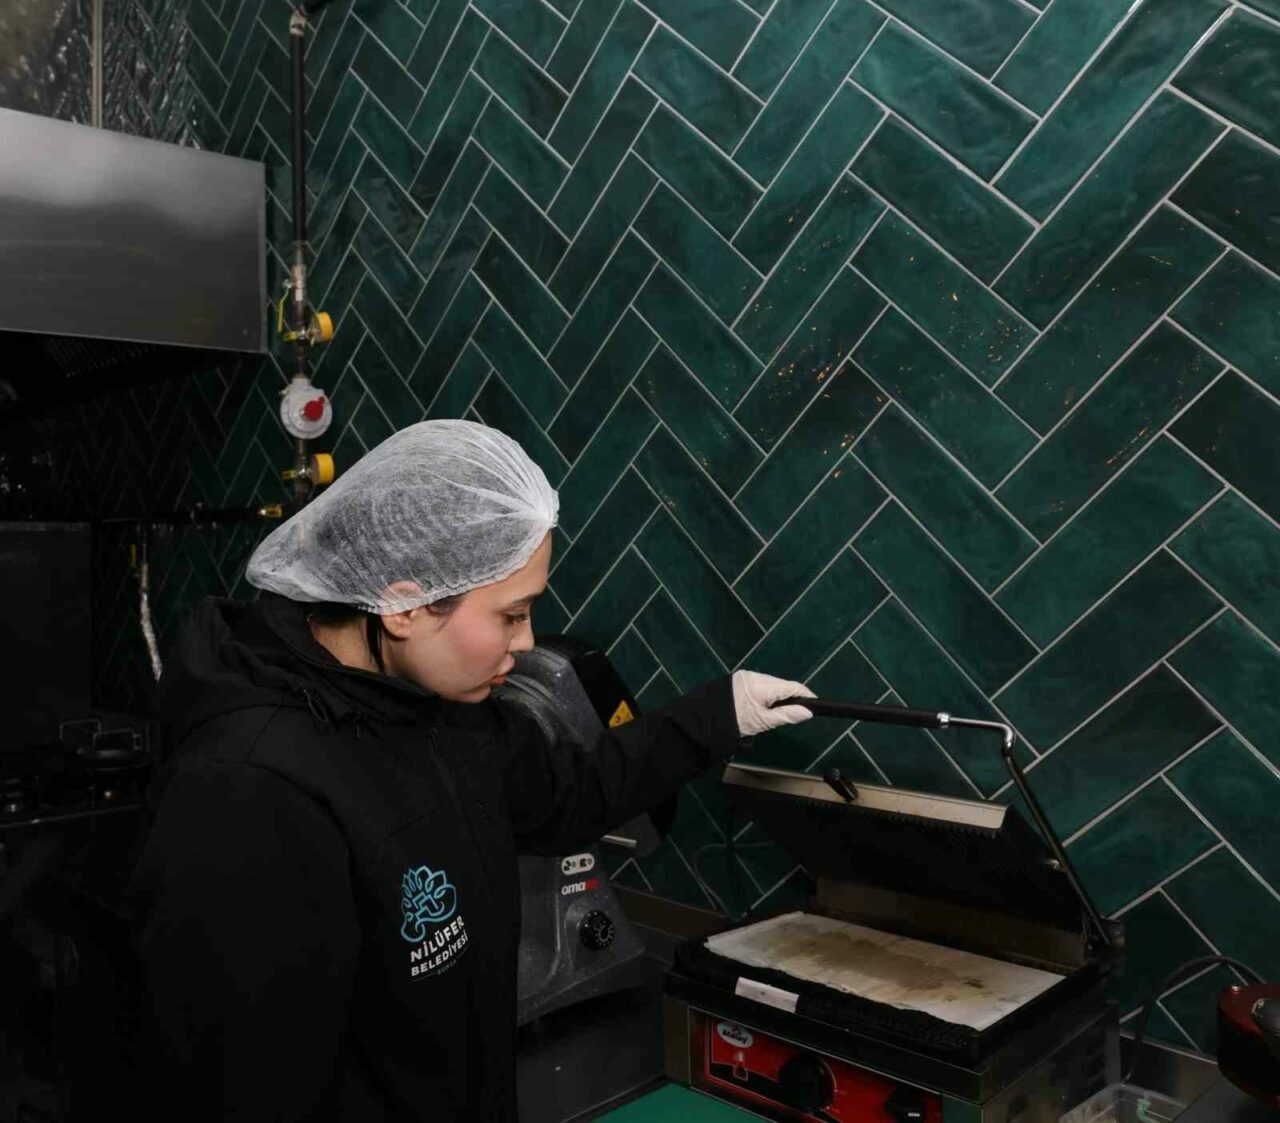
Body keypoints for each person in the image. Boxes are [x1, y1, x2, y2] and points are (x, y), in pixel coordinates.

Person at [126, 419, 814, 1121]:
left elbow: (568, 792)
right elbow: (238, 1087)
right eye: (512, 614)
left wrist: (717, 716)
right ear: (405, 605)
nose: (527, 640)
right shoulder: (248, 791)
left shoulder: (439, 706)